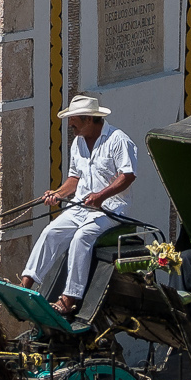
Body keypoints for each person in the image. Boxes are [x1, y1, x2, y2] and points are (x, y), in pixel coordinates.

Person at [19, 95, 137, 316]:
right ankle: (25, 286)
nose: (70, 124)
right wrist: (57, 193)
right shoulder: (78, 143)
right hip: (81, 206)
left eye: (74, 119)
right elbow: (74, 179)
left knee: (82, 237)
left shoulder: (118, 140)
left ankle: (68, 298)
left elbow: (128, 176)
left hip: (111, 210)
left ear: (90, 119)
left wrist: (101, 196)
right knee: (50, 231)